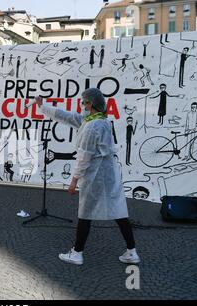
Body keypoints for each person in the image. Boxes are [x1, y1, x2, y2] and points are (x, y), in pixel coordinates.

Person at [35, 88, 140, 266]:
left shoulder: (91, 126)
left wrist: (74, 180)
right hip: (109, 175)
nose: (81, 105)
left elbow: (84, 156)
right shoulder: (98, 121)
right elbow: (67, 116)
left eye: (83, 102)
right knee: (118, 211)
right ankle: (132, 252)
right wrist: (42, 106)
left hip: (96, 176)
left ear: (91, 103)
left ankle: (77, 253)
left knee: (85, 212)